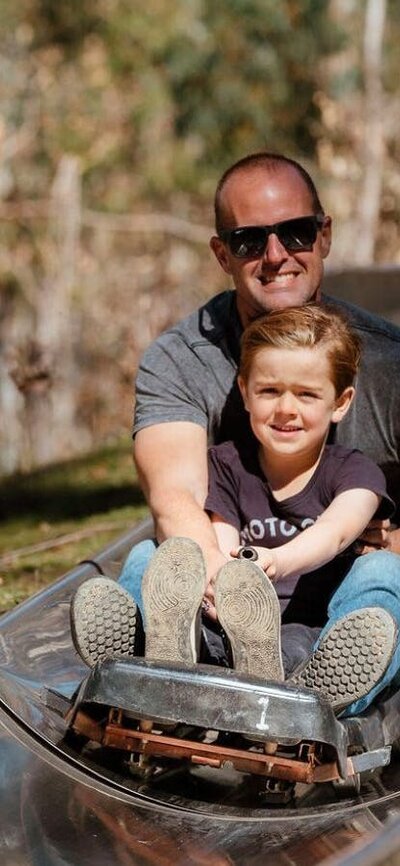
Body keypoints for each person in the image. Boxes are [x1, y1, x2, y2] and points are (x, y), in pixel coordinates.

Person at [71, 151, 400, 716]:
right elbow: (178, 501)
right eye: (250, 241)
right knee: (154, 557)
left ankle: (332, 689)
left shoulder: (389, 364)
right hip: (225, 592)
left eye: (294, 233)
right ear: (222, 252)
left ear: (323, 236)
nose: (275, 256)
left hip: (337, 594)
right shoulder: (181, 360)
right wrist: (232, 588)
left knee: (384, 576)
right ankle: (140, 656)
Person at [206, 303, 395, 714]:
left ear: (341, 402)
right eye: (270, 391)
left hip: (311, 632)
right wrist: (223, 580)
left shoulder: (355, 472)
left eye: (307, 394)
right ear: (245, 392)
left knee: (384, 572)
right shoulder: (226, 462)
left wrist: (277, 560)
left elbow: (337, 531)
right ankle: (145, 649)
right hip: (226, 623)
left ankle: (320, 696)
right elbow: (219, 535)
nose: (286, 408)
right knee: (151, 556)